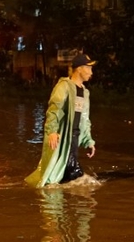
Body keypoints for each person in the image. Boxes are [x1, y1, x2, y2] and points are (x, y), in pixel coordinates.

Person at [26, 53, 97, 187]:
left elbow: (85, 119)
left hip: (75, 138)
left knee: (70, 175)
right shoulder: (63, 86)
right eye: (89, 68)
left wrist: (89, 141)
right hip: (63, 139)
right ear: (80, 68)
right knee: (61, 177)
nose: (91, 72)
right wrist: (52, 131)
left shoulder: (85, 92)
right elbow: (54, 110)